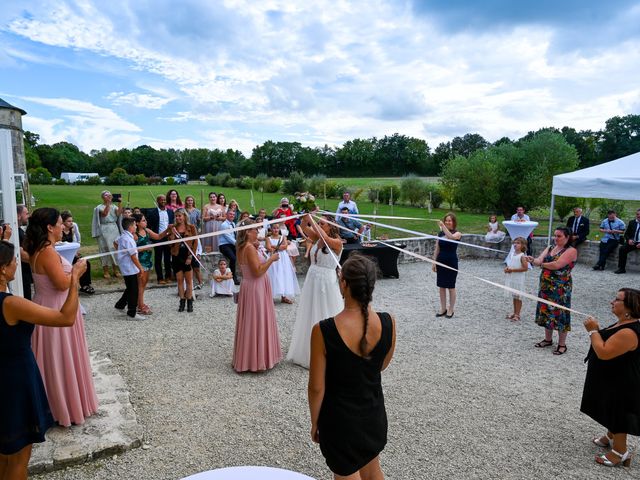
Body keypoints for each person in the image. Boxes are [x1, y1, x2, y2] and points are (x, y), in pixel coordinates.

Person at [0, 240, 86, 479]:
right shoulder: (10, 304)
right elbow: (65, 318)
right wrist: (75, 278)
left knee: (3, 453)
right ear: (3, 270)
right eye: (13, 260)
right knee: (18, 457)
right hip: (16, 380)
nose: (17, 263)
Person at [308, 253, 396, 479]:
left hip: (340, 422)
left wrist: (315, 422)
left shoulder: (323, 330)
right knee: (372, 471)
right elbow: (381, 365)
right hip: (373, 415)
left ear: (343, 283)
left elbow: (317, 387)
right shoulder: (388, 322)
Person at [25, 208, 99, 427]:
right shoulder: (47, 250)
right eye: (59, 223)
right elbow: (60, 284)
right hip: (56, 307)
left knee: (53, 358)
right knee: (60, 358)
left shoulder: (42, 247)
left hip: (46, 304)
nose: (63, 227)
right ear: (49, 227)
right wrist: (76, 272)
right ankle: (63, 408)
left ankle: (59, 404)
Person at [581, 288, 640, 468]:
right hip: (611, 378)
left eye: (617, 299)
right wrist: (597, 331)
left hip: (622, 381)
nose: (612, 302)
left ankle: (620, 452)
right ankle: (610, 436)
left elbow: (605, 352)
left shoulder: (629, 332)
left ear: (629, 307)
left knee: (618, 411)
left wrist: (592, 331)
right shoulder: (621, 323)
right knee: (607, 404)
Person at [287, 214, 343, 368]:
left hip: (326, 280)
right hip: (312, 279)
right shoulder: (318, 236)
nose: (318, 225)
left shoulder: (336, 242)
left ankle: (327, 350)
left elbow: (324, 238)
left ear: (331, 226)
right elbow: (304, 227)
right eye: (318, 222)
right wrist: (306, 214)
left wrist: (312, 220)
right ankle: (307, 348)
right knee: (310, 311)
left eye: (322, 223)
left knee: (326, 312)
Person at [232, 219, 282, 373]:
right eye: (255, 229)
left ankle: (248, 357)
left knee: (250, 321)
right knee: (257, 320)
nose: (258, 232)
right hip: (256, 287)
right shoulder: (248, 248)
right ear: (248, 231)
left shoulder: (242, 246)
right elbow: (258, 271)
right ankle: (256, 360)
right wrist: (271, 259)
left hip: (249, 285)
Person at [528, 227, 577, 355]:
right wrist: (533, 260)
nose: (556, 238)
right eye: (555, 235)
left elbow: (557, 265)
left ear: (567, 237)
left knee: (560, 312)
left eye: (559, 236)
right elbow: (539, 259)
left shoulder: (571, 251)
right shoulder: (550, 247)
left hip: (560, 287)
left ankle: (562, 344)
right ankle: (548, 339)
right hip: (545, 285)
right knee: (546, 310)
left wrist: (541, 264)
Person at [133, 213, 169, 315]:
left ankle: (138, 303)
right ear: (138, 223)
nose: (146, 222)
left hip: (148, 261)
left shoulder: (147, 231)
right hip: (139, 262)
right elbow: (131, 250)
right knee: (140, 284)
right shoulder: (135, 235)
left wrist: (167, 230)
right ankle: (140, 305)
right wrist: (145, 248)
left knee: (144, 284)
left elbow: (158, 237)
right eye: (143, 221)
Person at [114, 217, 146, 320]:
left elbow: (115, 242)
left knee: (130, 287)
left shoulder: (123, 236)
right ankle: (131, 313)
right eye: (135, 225)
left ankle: (120, 304)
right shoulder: (128, 239)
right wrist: (140, 268)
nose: (136, 226)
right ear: (130, 226)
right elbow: (133, 256)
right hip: (129, 268)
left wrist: (121, 253)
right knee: (133, 290)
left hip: (126, 266)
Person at [167, 209, 198, 313]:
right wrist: (171, 236)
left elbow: (195, 243)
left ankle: (189, 301)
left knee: (189, 281)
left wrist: (190, 257)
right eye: (176, 216)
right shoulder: (173, 228)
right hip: (177, 256)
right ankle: (182, 301)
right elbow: (170, 244)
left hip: (187, 256)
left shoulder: (191, 227)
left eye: (180, 216)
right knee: (180, 280)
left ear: (184, 216)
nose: (178, 218)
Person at [432, 213, 462, 318]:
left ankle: (451, 309)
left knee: (451, 287)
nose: (448, 222)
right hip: (441, 261)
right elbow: (437, 248)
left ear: (454, 222)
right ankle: (443, 308)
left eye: (450, 220)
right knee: (441, 286)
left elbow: (451, 237)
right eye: (446, 220)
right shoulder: (440, 234)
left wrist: (443, 227)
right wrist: (434, 262)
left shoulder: (458, 233)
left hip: (451, 262)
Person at [61, 211, 94, 295]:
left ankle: (85, 285)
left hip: (71, 253)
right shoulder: (60, 230)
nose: (71, 222)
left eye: (71, 220)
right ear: (63, 222)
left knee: (85, 263)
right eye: (68, 221)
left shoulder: (73, 228)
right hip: (62, 255)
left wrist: (75, 252)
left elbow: (75, 242)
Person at [265, 223, 300, 304]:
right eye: (274, 228)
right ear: (271, 229)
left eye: (277, 228)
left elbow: (285, 247)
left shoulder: (282, 237)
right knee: (272, 275)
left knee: (283, 274)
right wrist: (275, 247)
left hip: (283, 258)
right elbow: (269, 248)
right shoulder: (268, 238)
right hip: (273, 257)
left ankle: (283, 296)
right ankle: (270, 296)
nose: (276, 230)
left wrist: (274, 246)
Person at [144, 194, 174, 284]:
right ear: (157, 201)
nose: (163, 202)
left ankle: (168, 276)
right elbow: (149, 226)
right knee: (158, 258)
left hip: (168, 238)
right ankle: (160, 278)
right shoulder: (152, 213)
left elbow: (172, 224)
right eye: (161, 200)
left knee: (167, 258)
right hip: (158, 238)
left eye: (165, 200)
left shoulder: (170, 211)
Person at [91, 190, 122, 279]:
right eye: (106, 195)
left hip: (113, 228)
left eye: (109, 195)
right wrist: (108, 203)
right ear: (102, 197)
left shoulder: (114, 206)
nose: (108, 197)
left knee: (114, 248)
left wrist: (120, 202)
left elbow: (119, 213)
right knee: (105, 249)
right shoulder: (99, 207)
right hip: (104, 229)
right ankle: (106, 271)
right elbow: (104, 214)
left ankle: (116, 270)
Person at [504, 237, 528, 321]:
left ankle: (518, 314)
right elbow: (510, 264)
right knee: (514, 296)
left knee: (518, 297)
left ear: (522, 245)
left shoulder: (522, 256)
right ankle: (514, 312)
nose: (515, 244)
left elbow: (525, 268)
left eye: (518, 243)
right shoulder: (512, 254)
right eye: (514, 243)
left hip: (518, 279)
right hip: (512, 278)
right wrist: (507, 268)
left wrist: (513, 270)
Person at [184, 195, 204, 288]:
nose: (190, 202)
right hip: (186, 232)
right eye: (188, 200)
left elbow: (200, 223)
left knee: (196, 267)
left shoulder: (197, 211)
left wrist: (200, 225)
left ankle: (200, 282)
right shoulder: (183, 211)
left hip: (194, 231)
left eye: (191, 200)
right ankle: (189, 284)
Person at [615, 208, 640, 274]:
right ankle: (621, 268)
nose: (639, 216)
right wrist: (629, 240)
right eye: (637, 214)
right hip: (633, 242)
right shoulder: (632, 222)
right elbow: (626, 234)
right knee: (622, 249)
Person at [17, 205, 33, 300]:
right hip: (22, 274)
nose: (28, 216)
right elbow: (21, 254)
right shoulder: (16, 233)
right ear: (18, 216)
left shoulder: (19, 231)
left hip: (24, 272)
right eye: (26, 213)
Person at [219, 209, 239, 285]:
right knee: (233, 258)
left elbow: (235, 235)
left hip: (232, 244)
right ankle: (233, 277)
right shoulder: (224, 225)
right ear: (226, 215)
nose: (232, 216)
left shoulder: (233, 224)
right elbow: (228, 237)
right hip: (224, 245)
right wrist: (237, 244)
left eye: (233, 215)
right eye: (230, 214)